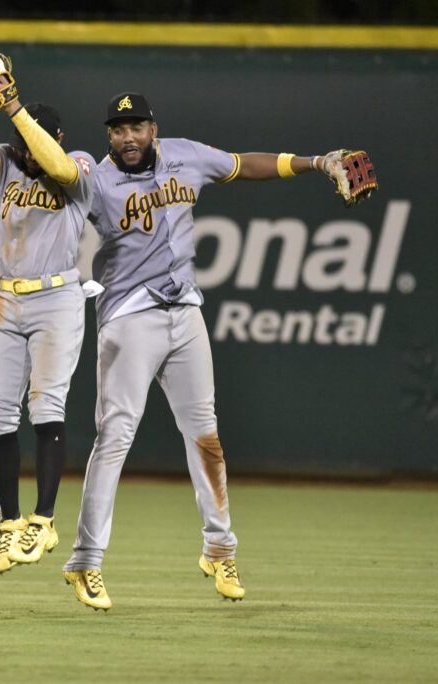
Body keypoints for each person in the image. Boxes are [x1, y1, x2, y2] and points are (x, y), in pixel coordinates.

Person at [61, 92, 358, 610]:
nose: (127, 137)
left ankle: (219, 548)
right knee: (114, 440)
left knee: (206, 437)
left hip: (185, 312)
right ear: (108, 135)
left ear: (153, 128)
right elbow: (48, 223)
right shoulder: (96, 179)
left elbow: (246, 165)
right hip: (129, 318)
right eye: (117, 129)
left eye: (135, 126)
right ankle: (85, 562)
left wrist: (318, 162)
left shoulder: (185, 155)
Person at [0, 72, 97, 576]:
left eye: (33, 145)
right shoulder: (11, 158)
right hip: (7, 301)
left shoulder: (79, 164)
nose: (26, 156)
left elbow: (53, 163)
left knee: (46, 405)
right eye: (22, 148)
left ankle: (44, 519)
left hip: (57, 298)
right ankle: (11, 526)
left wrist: (12, 110)